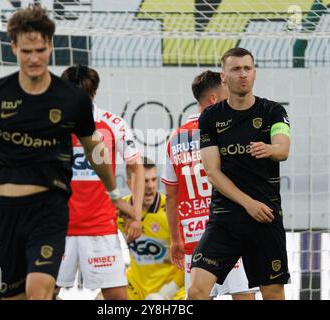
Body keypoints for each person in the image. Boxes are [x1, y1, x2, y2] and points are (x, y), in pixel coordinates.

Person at [0, 6, 133, 300]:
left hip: (49, 210)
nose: (34, 58)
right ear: (13, 47)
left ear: (50, 45)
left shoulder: (72, 100)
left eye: (40, 49)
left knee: (40, 291)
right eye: (26, 51)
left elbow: (93, 148)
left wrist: (114, 194)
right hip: (6, 210)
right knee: (15, 296)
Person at [188, 48, 291, 300]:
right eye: (235, 69)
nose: (243, 74)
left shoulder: (273, 111)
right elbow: (212, 172)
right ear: (224, 77)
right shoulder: (211, 117)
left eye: (248, 68)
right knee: (196, 291)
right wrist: (248, 203)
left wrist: (270, 148)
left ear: (254, 74)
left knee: (273, 293)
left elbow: (283, 149)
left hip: (265, 218)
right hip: (225, 219)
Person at [162, 70, 256, 300]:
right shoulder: (228, 132)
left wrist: (175, 239)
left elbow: (171, 196)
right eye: (227, 92)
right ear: (214, 99)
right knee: (243, 295)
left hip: (194, 236)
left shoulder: (175, 139)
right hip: (229, 229)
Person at [56, 65, 144, 300]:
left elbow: (136, 166)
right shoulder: (52, 126)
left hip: (100, 227)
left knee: (117, 299)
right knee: (42, 293)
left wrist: (135, 213)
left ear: (93, 94)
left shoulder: (112, 124)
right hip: (57, 226)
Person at [117, 158, 185, 300]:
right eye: (145, 181)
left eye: (154, 180)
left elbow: (189, 258)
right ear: (129, 184)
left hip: (171, 290)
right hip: (135, 287)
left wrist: (166, 293)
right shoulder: (120, 209)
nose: (151, 186)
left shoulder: (170, 211)